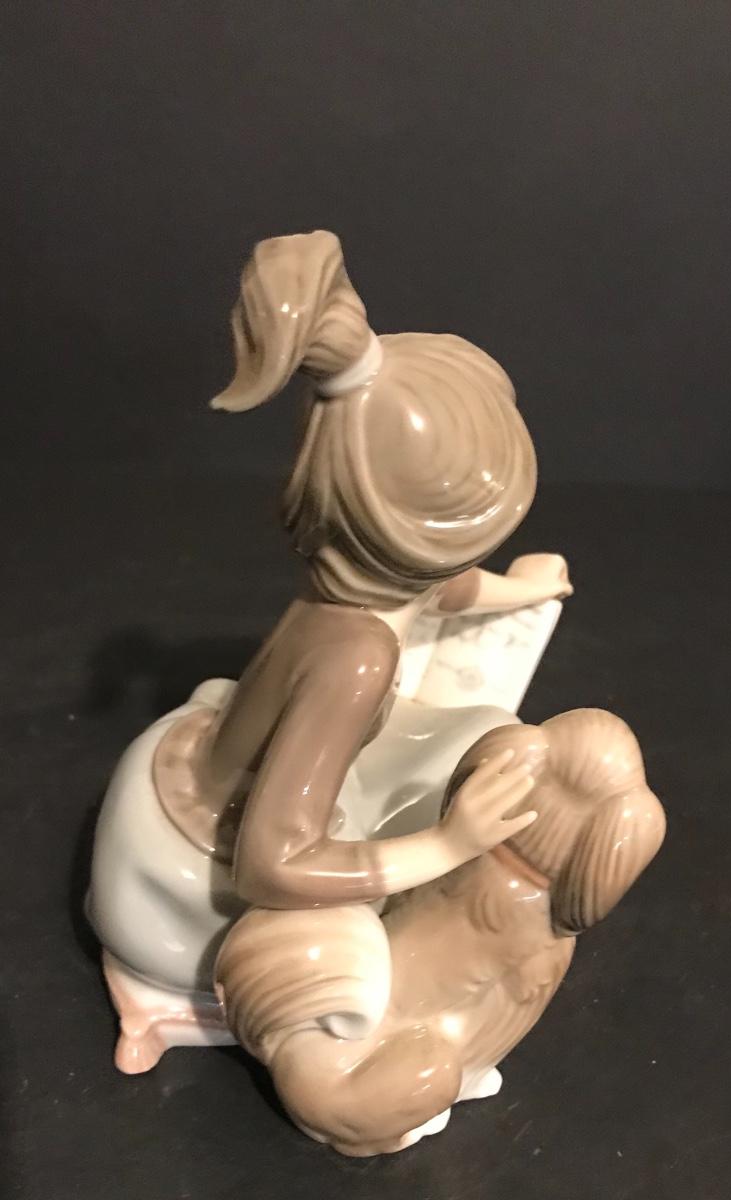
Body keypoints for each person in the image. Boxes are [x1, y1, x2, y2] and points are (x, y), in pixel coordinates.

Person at [87, 231, 571, 1068]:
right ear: (416, 543)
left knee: (480, 729)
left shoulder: (359, 579)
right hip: (205, 874)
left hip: (233, 773)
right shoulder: (359, 658)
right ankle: (181, 998)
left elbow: (442, 590)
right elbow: (271, 864)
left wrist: (522, 590)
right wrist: (449, 846)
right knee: (379, 902)